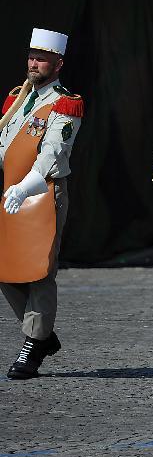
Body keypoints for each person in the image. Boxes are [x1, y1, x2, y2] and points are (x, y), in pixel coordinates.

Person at [0, 28, 83, 380]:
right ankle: (44, 335)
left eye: (43, 59)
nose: (35, 64)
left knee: (39, 271)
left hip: (44, 191)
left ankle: (32, 346)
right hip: (9, 192)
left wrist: (25, 186)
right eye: (32, 57)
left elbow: (53, 153)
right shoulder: (18, 98)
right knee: (6, 269)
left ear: (58, 63)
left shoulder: (65, 104)